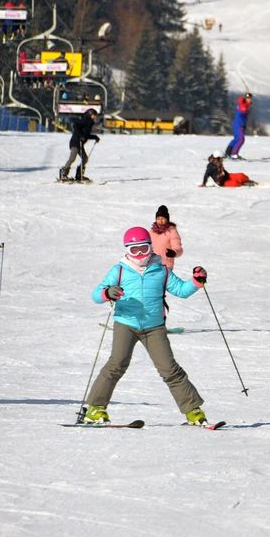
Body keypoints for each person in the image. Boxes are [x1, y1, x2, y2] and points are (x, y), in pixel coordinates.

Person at [80, 227, 210, 426]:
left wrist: (196, 281)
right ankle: (95, 409)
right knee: (116, 365)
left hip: (154, 327)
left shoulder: (161, 270)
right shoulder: (120, 269)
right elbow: (96, 294)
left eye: (144, 248)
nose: (140, 254)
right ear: (127, 250)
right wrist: (108, 292)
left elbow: (181, 290)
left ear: (151, 247)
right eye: (135, 250)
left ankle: (193, 411)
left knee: (170, 369)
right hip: (126, 324)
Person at [59, 108, 100, 182]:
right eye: (94, 115)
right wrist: (80, 136)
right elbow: (75, 125)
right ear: (90, 114)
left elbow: (86, 135)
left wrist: (95, 137)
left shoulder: (90, 123)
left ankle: (79, 175)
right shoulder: (84, 120)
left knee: (85, 159)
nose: (95, 117)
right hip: (75, 142)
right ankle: (63, 174)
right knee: (72, 158)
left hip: (80, 143)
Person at [150, 205, 182, 271]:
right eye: (158, 218)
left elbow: (178, 248)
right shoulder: (152, 231)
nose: (160, 221)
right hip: (152, 264)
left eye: (163, 218)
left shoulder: (171, 231)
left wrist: (174, 253)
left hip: (166, 265)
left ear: (167, 219)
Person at [224, 92, 253, 159]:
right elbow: (243, 110)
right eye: (248, 98)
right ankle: (234, 154)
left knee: (236, 139)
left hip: (238, 124)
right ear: (245, 98)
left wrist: (248, 104)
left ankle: (228, 152)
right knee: (241, 139)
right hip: (240, 124)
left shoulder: (243, 103)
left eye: (250, 98)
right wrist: (248, 104)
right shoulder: (243, 105)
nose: (249, 100)